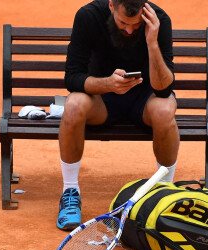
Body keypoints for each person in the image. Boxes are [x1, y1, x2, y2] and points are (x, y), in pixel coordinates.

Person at [57, 0, 180, 230]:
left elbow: (163, 89)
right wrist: (108, 84)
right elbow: (72, 78)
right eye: (123, 22)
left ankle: (165, 193)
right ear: (112, 5)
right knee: (73, 105)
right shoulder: (88, 16)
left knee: (165, 110)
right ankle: (70, 191)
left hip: (145, 100)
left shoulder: (159, 20)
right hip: (102, 98)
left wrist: (152, 43)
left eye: (135, 24)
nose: (130, 30)